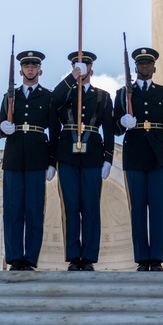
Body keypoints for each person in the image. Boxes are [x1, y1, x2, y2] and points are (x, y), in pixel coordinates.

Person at [50, 51, 117, 271]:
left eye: (85, 67)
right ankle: (72, 256)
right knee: (70, 206)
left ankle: (88, 257)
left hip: (93, 156)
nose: (82, 71)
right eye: (78, 67)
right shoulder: (67, 93)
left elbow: (108, 129)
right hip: (67, 155)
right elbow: (53, 101)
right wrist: (71, 78)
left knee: (90, 207)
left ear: (92, 70)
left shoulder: (103, 96)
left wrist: (108, 158)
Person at [114, 47, 163, 272]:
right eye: (141, 64)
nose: (144, 67)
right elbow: (113, 127)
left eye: (148, 64)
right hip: (134, 154)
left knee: (159, 208)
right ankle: (142, 258)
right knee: (139, 208)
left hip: (159, 155)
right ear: (135, 67)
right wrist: (123, 122)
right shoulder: (123, 94)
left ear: (154, 68)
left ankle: (157, 259)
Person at [0, 50, 59, 271]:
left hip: (36, 157)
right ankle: (14, 258)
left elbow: (54, 131)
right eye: (26, 66)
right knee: (13, 210)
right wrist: (2, 128)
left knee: (33, 210)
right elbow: (0, 125)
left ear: (39, 71)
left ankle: (30, 258)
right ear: (21, 70)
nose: (30, 69)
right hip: (13, 157)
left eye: (33, 66)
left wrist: (52, 161)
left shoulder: (48, 97)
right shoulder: (9, 96)